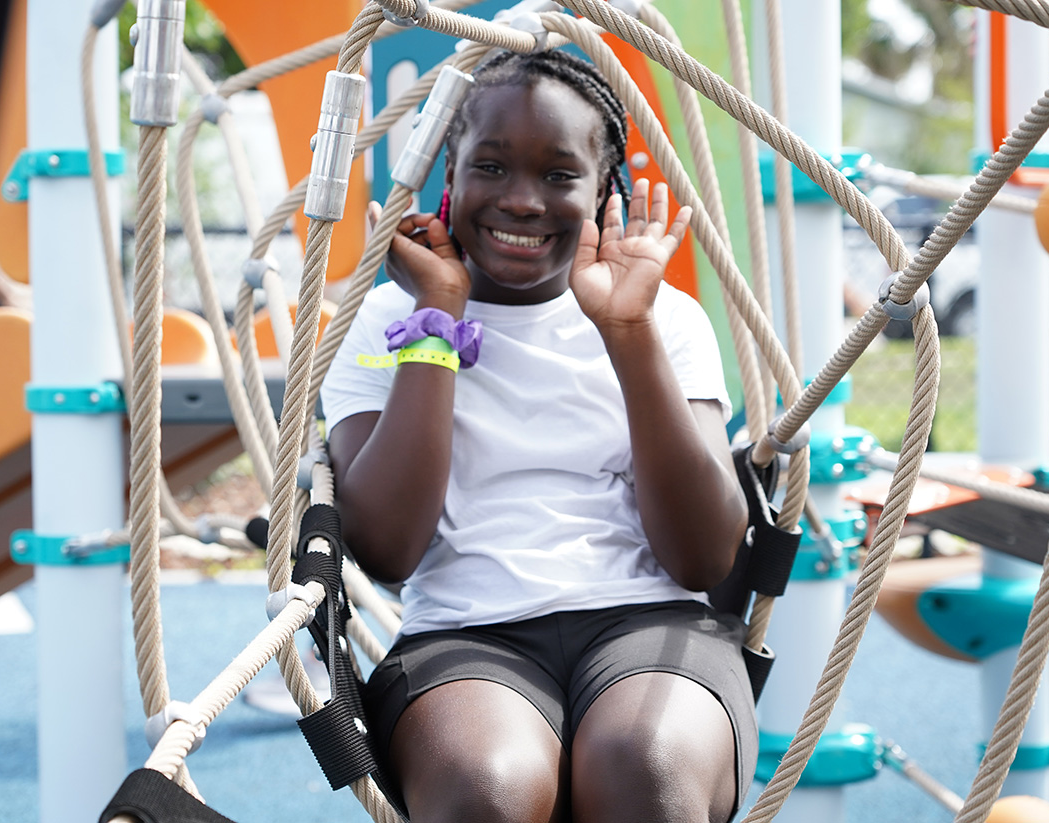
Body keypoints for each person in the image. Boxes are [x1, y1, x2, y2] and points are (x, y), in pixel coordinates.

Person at [321, 49, 755, 823]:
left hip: (650, 622)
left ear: (605, 190)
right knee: (486, 786)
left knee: (643, 766)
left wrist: (625, 329)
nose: (522, 200)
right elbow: (387, 549)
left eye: (559, 175)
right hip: (464, 635)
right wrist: (439, 320)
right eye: (491, 166)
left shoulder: (667, 318)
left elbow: (704, 555)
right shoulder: (382, 321)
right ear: (449, 174)